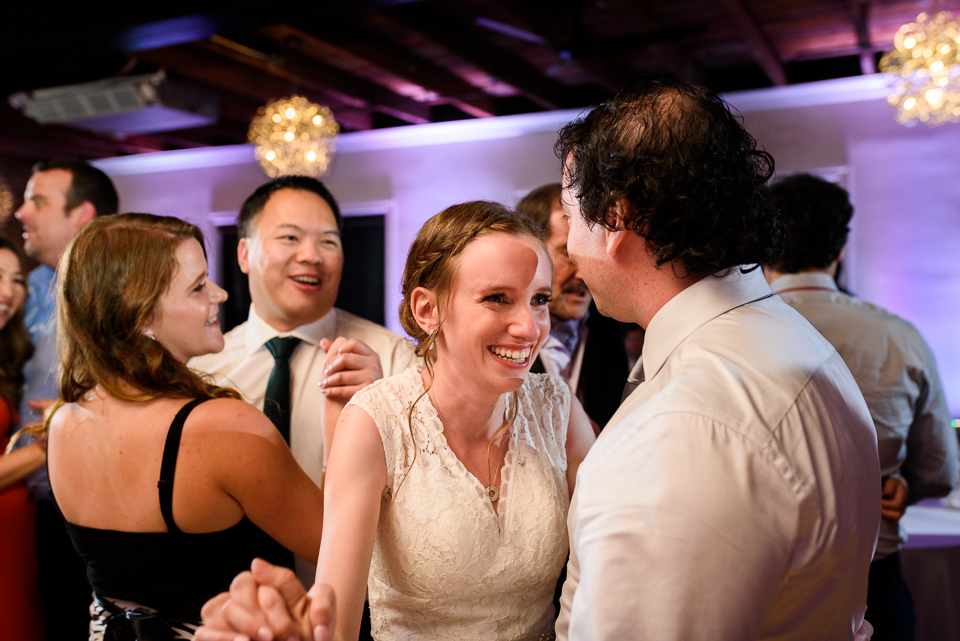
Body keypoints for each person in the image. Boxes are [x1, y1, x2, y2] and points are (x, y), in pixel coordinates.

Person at [551, 78, 880, 639]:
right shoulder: (788, 336)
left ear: (617, 218)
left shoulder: (681, 428)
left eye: (570, 216)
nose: (572, 250)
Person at [196, 201, 596, 641]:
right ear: (428, 311)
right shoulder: (375, 422)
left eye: (538, 299)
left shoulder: (557, 409)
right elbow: (337, 623)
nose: (529, 327)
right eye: (497, 298)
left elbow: (603, 567)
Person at [44, 214, 324, 640]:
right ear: (140, 316)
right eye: (198, 287)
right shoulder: (222, 429)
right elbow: (337, 546)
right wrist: (347, 421)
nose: (220, 293)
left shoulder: (64, 420)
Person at [763, 173, 959, 641]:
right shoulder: (899, 336)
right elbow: (941, 472)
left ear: (763, 244)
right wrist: (902, 484)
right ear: (840, 250)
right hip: (872, 573)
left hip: (765, 579)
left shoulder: (728, 334)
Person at [12, 158, 118, 640]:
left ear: (82, 216)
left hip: (97, 500)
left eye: (37, 201)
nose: (19, 212)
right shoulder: (25, 288)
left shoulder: (120, 294)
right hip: (26, 503)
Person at [516, 184, 629, 430]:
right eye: (568, 254)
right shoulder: (504, 338)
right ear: (528, 252)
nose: (584, 274)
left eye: (592, 254)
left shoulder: (613, 335)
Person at [0, 236, 45, 641]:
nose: (8, 291)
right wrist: (48, 444)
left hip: (16, 537)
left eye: (17, 280)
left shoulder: (7, 354)